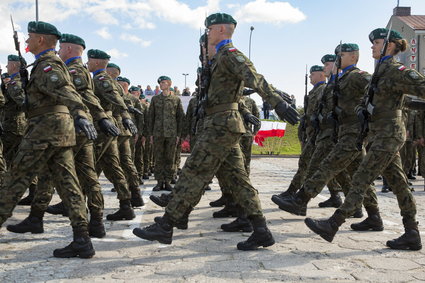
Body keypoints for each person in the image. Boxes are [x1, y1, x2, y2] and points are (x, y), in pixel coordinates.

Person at [132, 13, 299, 250]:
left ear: (220, 30)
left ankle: (167, 224)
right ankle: (260, 230)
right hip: (222, 124)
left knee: (193, 170)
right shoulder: (218, 58)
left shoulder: (230, 54)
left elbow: (254, 77)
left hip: (221, 125)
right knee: (239, 180)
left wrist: (277, 103)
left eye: (210, 29)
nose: (207, 33)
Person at [305, 28, 423, 251]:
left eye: (376, 43)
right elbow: (390, 99)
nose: (372, 47)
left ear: (389, 45)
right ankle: (411, 232)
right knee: (399, 184)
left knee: (361, 177)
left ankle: (333, 224)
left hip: (389, 134)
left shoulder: (396, 70)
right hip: (380, 133)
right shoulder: (381, 71)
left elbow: (418, 88)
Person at [0, 21, 98, 258]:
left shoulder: (48, 66)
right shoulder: (44, 64)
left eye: (30, 37)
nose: (26, 41)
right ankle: (82, 239)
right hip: (57, 131)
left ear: (41, 40)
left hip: (45, 131)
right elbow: (30, 101)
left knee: (15, 178)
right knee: (68, 184)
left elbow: (66, 91)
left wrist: (81, 114)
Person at [275, 43, 375, 220]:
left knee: (324, 167)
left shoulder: (356, 76)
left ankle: (300, 200)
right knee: (356, 174)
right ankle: (370, 215)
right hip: (337, 132)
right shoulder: (338, 82)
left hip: (347, 133)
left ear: (352, 57)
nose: (330, 65)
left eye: (336, 59)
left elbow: (376, 87)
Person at [87, 49, 136, 221]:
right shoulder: (101, 78)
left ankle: (90, 211)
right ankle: (126, 205)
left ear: (98, 63)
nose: (87, 63)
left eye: (90, 60)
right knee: (112, 167)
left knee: (87, 166)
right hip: (107, 125)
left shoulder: (101, 79)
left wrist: (125, 115)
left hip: (102, 126)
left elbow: (115, 98)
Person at [1, 54, 37, 205]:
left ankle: (6, 193)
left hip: (12, 126)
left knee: (6, 159)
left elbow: (13, 101)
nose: (7, 66)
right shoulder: (19, 81)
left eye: (9, 64)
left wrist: (6, 85)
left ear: (15, 65)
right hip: (17, 126)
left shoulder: (16, 82)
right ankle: (33, 192)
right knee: (22, 160)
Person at [148, 76, 184, 191]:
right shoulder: (155, 99)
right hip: (158, 133)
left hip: (172, 133)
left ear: (169, 84)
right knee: (158, 158)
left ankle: (168, 181)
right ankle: (159, 182)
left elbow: (180, 118)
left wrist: (179, 134)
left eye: (163, 82)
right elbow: (150, 117)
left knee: (170, 158)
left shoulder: (176, 100)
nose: (161, 84)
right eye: (160, 83)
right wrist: (151, 134)